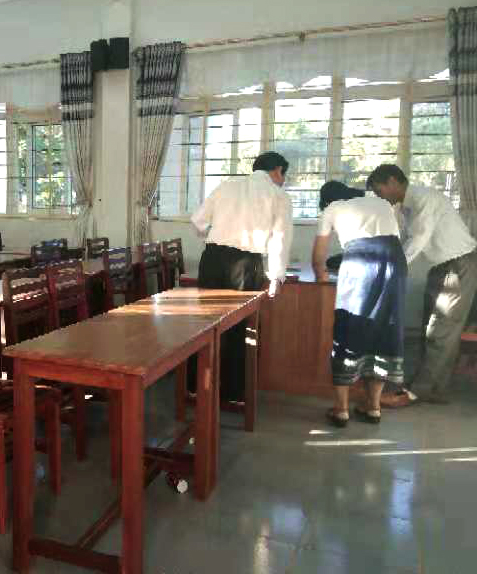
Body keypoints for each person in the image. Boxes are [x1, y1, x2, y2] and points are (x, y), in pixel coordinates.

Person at [188, 151, 293, 402]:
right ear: (277, 171)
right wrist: (276, 277)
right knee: (237, 328)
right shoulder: (278, 195)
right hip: (245, 264)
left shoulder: (227, 184)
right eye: (283, 175)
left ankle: (194, 386)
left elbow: (197, 221)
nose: (283, 181)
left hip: (212, 259)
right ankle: (232, 392)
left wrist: (212, 236)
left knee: (205, 323)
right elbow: (280, 239)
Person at [368, 164, 477, 404]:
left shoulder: (425, 199)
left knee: (439, 331)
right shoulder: (405, 206)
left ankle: (417, 392)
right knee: (429, 329)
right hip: (441, 266)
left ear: (393, 182)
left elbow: (418, 238)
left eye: (379, 190)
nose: (379, 196)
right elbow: (404, 240)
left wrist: (393, 270)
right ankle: (432, 388)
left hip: (459, 266)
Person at [313, 181, 407, 426]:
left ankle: (341, 409)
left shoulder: (331, 209)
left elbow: (319, 256)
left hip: (360, 263)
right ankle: (373, 407)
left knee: (348, 328)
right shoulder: (380, 202)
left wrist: (321, 277)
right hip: (395, 263)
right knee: (384, 329)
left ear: (327, 200)